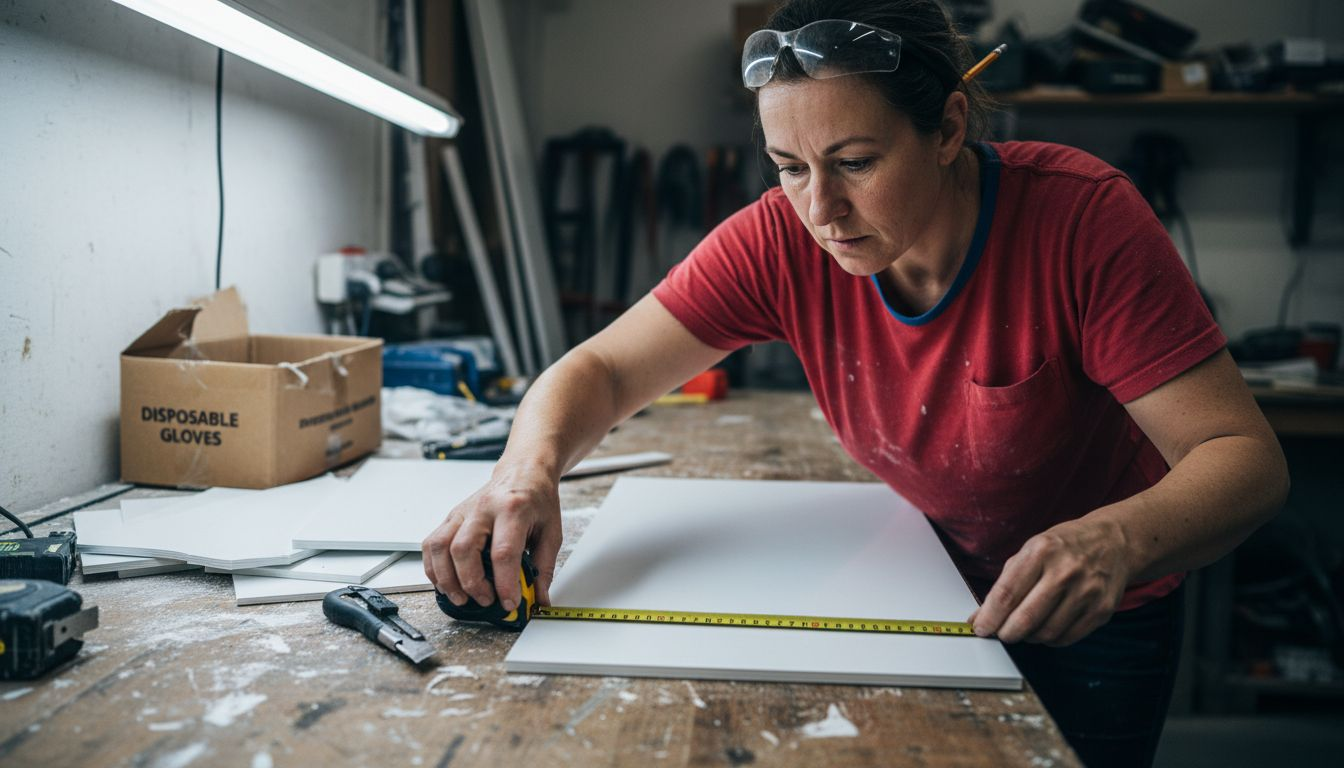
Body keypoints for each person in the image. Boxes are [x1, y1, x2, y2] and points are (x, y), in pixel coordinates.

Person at [423, 1, 1288, 764]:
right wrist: (523, 475)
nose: (820, 210)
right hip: (918, 581)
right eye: (789, 167)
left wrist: (1115, 541)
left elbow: (1243, 459)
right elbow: (601, 370)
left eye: (856, 162)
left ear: (949, 128)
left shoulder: (1082, 221)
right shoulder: (781, 238)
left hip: (1096, 612)